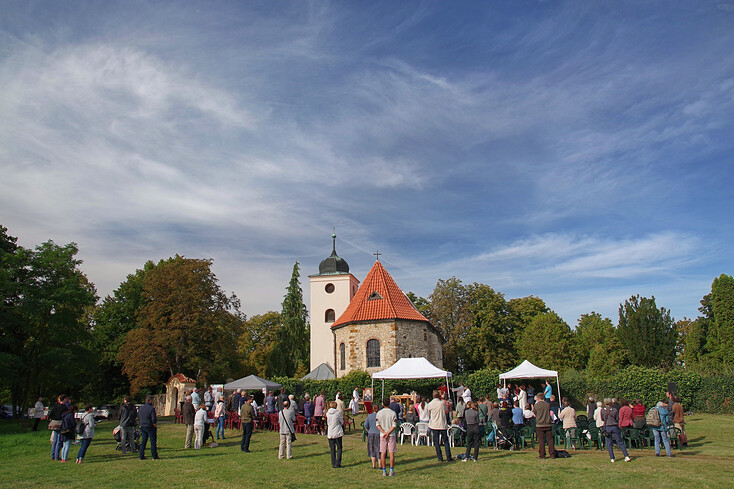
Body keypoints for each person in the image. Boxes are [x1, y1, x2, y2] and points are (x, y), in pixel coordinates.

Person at [601, 398, 631, 463]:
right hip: (615, 426)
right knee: (620, 441)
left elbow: (602, 419)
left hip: (607, 426)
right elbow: (617, 418)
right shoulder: (614, 410)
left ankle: (612, 458)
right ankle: (626, 456)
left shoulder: (603, 410)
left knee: (609, 443)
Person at [428, 390, 452, 462]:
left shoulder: (430, 404)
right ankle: (448, 456)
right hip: (442, 424)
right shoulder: (442, 403)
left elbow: (429, 414)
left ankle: (440, 457)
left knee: (436, 441)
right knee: (445, 441)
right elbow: (446, 411)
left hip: (434, 425)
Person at [376, 398, 397, 476]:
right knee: (391, 453)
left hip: (383, 435)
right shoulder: (393, 413)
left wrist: (384, 432)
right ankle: (391, 470)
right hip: (391, 434)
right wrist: (388, 432)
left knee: (383, 453)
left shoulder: (379, 413)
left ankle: (384, 471)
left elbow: (377, 424)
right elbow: (394, 425)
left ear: (383, 404)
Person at [533, 393, 557, 459]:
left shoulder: (536, 405)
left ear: (538, 398)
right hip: (548, 423)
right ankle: (552, 454)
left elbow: (534, 413)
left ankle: (542, 454)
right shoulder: (547, 404)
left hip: (540, 424)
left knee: (541, 440)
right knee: (550, 440)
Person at [138, 395, 160, 460]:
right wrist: (155, 425)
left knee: (143, 441)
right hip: (150, 426)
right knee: (152, 441)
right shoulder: (151, 408)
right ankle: (154, 455)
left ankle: (141, 455)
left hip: (143, 426)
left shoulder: (141, 408)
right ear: (150, 401)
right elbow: (153, 419)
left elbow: (139, 417)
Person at [326, 401, 344, 468]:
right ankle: (338, 463)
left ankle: (333, 463)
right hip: (337, 431)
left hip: (330, 432)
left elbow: (328, 422)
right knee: (339, 447)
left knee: (332, 448)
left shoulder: (327, 413)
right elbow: (342, 422)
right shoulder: (338, 413)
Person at [49, 395, 67, 460]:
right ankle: (56, 456)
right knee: (59, 440)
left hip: (54, 423)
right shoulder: (64, 407)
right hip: (59, 423)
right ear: (64, 399)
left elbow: (51, 413)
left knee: (55, 440)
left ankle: (52, 455)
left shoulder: (55, 405)